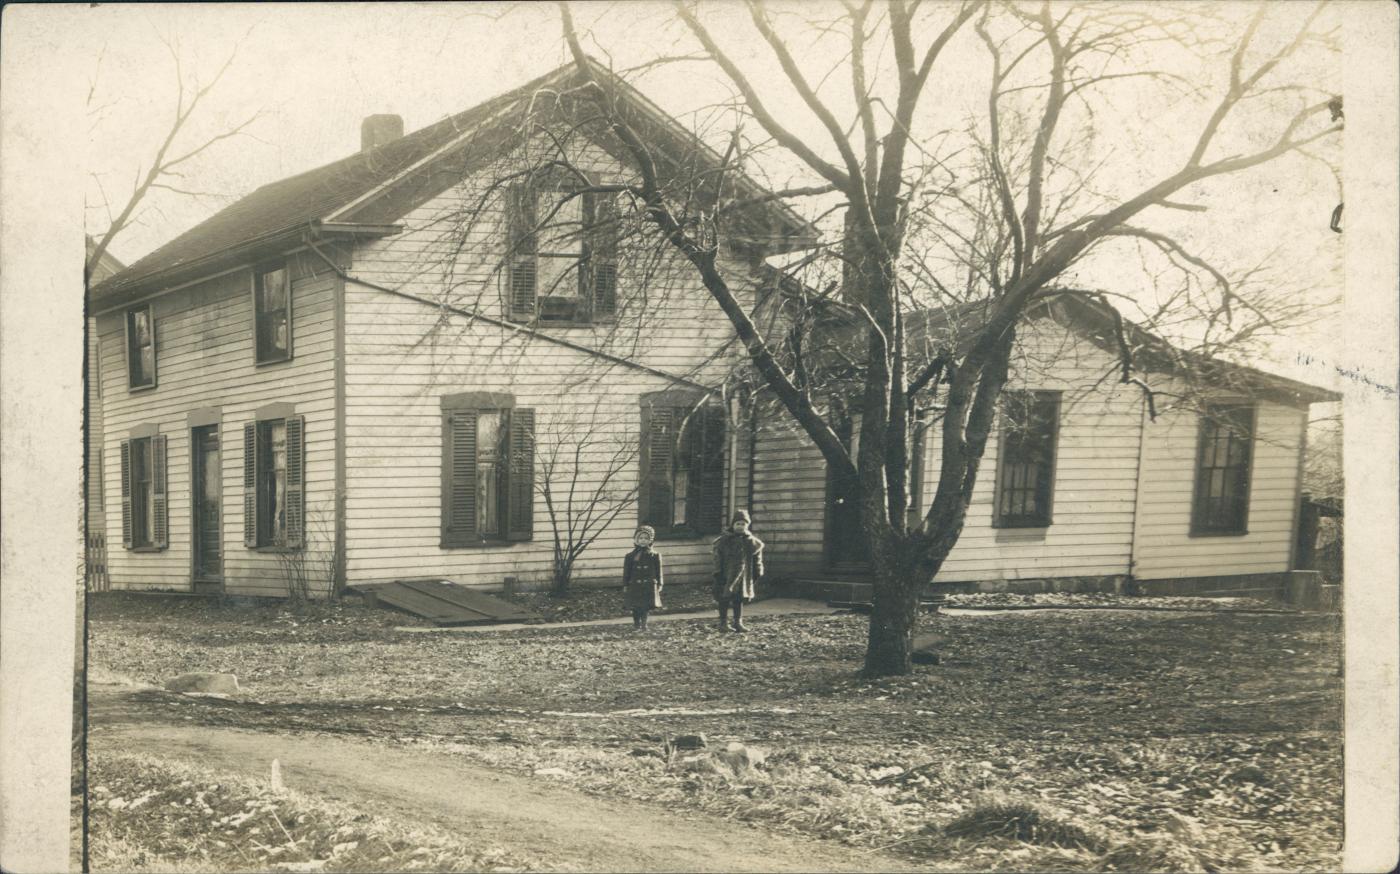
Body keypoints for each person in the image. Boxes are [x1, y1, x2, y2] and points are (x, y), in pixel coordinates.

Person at [712, 509, 764, 632]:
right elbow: (717, 557)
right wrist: (718, 572)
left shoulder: (752, 542)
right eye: (738, 524)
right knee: (724, 598)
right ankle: (723, 623)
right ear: (733, 525)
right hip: (726, 574)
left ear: (747, 525)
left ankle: (737, 622)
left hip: (744, 576)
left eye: (743, 524)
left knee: (738, 599)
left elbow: (757, 558)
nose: (740, 526)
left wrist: (758, 571)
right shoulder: (724, 541)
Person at [622, 525, 663, 631]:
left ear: (650, 540)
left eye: (646, 538)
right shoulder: (630, 556)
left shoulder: (654, 555)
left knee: (645, 606)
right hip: (635, 585)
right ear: (636, 540)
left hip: (648, 584)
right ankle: (636, 625)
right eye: (640, 538)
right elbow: (626, 572)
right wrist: (625, 584)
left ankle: (644, 625)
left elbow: (659, 571)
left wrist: (660, 583)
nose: (643, 541)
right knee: (635, 606)